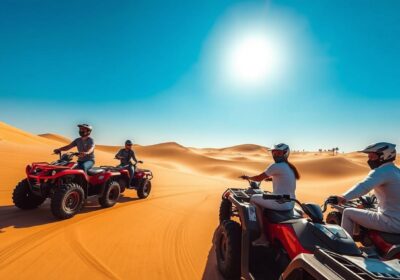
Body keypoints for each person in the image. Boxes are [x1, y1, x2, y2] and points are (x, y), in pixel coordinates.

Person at [333, 142, 400, 238]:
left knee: (348, 212)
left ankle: (345, 246)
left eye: (372, 157)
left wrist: (343, 197)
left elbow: (363, 186)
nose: (369, 160)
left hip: (392, 222)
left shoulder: (381, 171)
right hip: (396, 218)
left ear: (384, 156)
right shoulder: (396, 171)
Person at [241, 143, 300, 246]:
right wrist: (271, 179)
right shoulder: (289, 167)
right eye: (274, 152)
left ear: (285, 154)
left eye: (279, 153)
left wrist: (248, 177)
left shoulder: (276, 166)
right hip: (290, 203)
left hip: (280, 203)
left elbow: (259, 178)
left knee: (254, 198)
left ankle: (263, 236)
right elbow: (282, 178)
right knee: (264, 198)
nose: (276, 155)